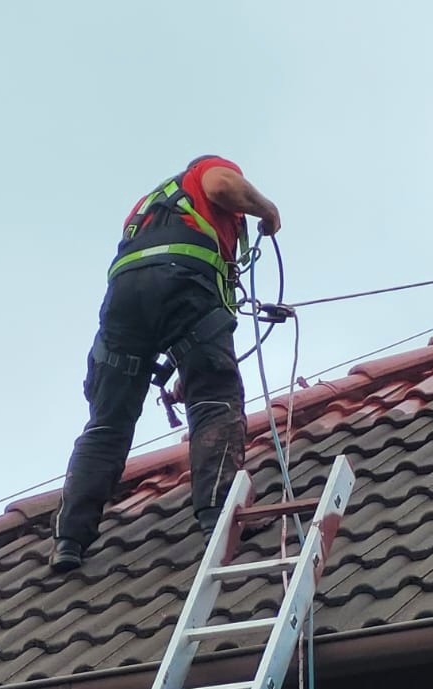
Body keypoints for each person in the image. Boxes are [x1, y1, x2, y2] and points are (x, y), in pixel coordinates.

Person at [51, 155, 282, 573]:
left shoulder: (146, 210)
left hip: (124, 298)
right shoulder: (204, 173)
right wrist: (267, 210)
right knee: (215, 398)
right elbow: (221, 186)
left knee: (108, 421)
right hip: (183, 283)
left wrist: (182, 365)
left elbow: (155, 298)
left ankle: (70, 539)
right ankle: (218, 515)